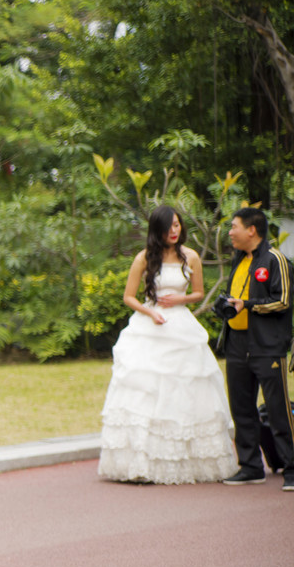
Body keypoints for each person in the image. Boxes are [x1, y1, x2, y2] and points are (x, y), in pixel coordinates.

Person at [98, 205, 236, 484]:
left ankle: (189, 459)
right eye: (168, 227)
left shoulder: (191, 256)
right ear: (157, 230)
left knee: (186, 387)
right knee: (146, 389)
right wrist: (150, 312)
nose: (174, 231)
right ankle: (140, 461)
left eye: (176, 225)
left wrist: (178, 300)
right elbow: (129, 297)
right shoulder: (144, 258)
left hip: (181, 325)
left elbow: (197, 293)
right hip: (150, 324)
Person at [219, 206, 294, 490]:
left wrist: (247, 305)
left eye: (234, 226)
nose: (230, 232)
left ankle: (291, 468)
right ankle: (250, 466)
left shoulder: (275, 259)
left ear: (252, 229)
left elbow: (284, 300)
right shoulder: (240, 261)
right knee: (242, 408)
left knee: (277, 409)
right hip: (237, 344)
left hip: (267, 345)